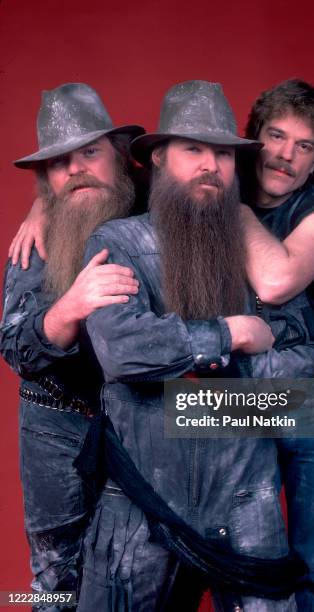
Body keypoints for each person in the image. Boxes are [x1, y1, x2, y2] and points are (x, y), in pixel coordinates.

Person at [76, 79, 314, 612]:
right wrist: (231, 335)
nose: (211, 165)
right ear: (160, 158)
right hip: (141, 497)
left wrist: (191, 394)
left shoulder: (257, 254)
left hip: (244, 494)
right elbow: (122, 350)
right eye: (194, 150)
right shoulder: (116, 243)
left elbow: (302, 358)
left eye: (223, 154)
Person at [0, 82, 144, 606]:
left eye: (90, 153)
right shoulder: (32, 243)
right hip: (54, 424)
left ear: (122, 157)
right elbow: (17, 348)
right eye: (60, 163)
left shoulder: (154, 207)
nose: (76, 170)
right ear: (46, 179)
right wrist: (70, 306)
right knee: (55, 583)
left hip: (143, 419)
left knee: (138, 574)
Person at [240, 78, 314, 610]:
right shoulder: (211, 182)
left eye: (304, 146)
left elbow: (275, 282)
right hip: (238, 398)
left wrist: (232, 209)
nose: (285, 156)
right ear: (254, 137)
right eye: (276, 136)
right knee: (245, 559)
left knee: (312, 567)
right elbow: (115, 184)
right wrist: (43, 207)